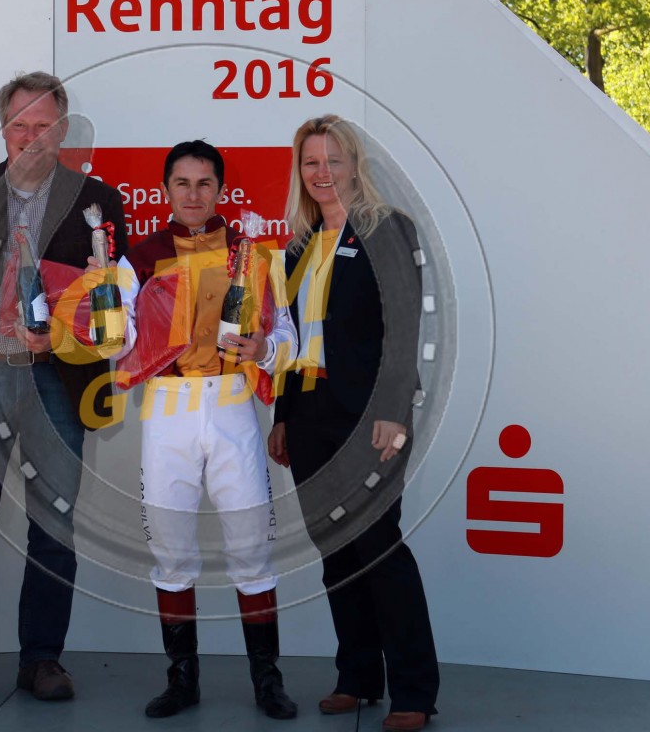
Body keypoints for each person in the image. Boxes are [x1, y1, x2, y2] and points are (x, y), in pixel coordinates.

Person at [0, 72, 128, 715]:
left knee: (54, 529)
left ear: (62, 131)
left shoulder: (98, 202)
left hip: (56, 382)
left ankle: (42, 659)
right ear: (3, 129)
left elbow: (109, 304)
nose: (30, 138)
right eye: (19, 125)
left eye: (43, 126)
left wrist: (63, 333)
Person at [114, 140, 299, 720]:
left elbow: (288, 338)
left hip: (232, 405)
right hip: (166, 408)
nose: (193, 195)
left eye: (204, 184)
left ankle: (267, 681)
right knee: (171, 553)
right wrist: (99, 319)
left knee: (251, 549)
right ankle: (181, 681)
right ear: (165, 190)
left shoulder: (254, 255)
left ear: (221, 189)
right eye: (182, 183)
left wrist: (264, 348)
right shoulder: (137, 260)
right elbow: (115, 344)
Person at [267, 115, 439, 732]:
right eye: (311, 162)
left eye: (333, 161)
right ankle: (358, 677)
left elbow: (405, 328)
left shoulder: (388, 229)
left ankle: (414, 690)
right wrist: (283, 415)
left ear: (354, 165)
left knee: (378, 547)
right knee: (335, 550)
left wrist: (393, 411)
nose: (322, 173)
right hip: (309, 414)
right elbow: (290, 338)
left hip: (370, 417)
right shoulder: (297, 246)